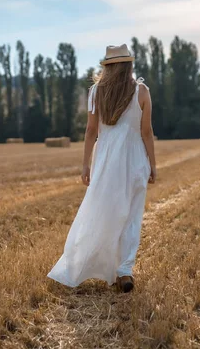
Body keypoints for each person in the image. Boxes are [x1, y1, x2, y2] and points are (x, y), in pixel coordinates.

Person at [48, 44, 156, 293]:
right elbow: (147, 132)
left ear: (107, 67)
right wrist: (152, 164)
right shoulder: (141, 91)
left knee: (102, 211)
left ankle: (89, 263)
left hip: (106, 160)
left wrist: (85, 164)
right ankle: (124, 270)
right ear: (128, 65)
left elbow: (90, 132)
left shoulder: (96, 92)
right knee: (130, 216)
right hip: (135, 159)